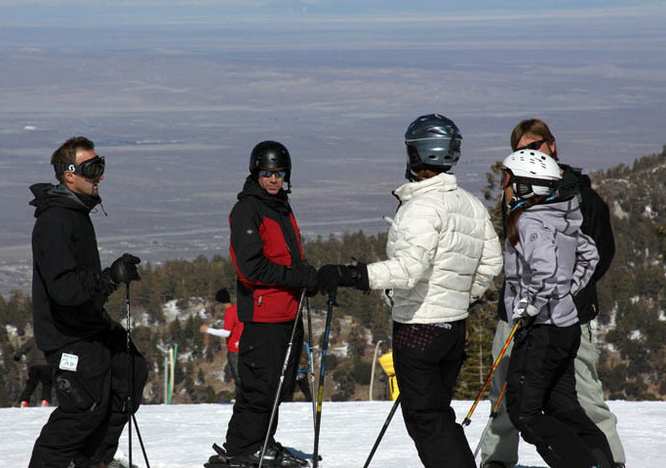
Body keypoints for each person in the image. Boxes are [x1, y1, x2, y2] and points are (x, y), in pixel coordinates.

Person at [317, 114, 503, 468]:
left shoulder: (421, 208)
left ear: (418, 155)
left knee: (426, 420)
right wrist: (460, 297)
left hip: (419, 328)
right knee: (437, 416)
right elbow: (491, 263)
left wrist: (350, 275)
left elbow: (407, 270)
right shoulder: (470, 204)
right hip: (453, 328)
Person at [480, 119, 625, 468]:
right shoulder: (518, 194)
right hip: (522, 310)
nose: (526, 155)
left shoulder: (580, 197)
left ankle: (606, 460)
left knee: (580, 393)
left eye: (533, 147)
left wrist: (563, 292)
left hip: (558, 314)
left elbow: (598, 252)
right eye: (520, 150)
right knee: (508, 389)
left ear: (551, 145)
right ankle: (498, 458)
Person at [28, 136, 149, 468]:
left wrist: (111, 277)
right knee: (84, 407)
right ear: (69, 174)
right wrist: (110, 277)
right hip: (67, 333)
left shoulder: (75, 212)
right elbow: (64, 291)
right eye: (92, 168)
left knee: (130, 372)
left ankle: (92, 461)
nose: (100, 175)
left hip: (86, 323)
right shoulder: (55, 221)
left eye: (101, 165)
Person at [206, 141, 317, 468]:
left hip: (287, 313)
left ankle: (262, 443)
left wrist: (303, 278)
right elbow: (250, 268)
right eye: (267, 173)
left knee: (276, 387)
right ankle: (242, 448)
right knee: (258, 388)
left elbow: (287, 257)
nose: (273, 179)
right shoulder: (248, 210)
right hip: (263, 315)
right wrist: (297, 277)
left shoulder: (280, 206)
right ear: (256, 172)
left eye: (279, 173)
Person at [201, 288, 244, 395]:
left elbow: (226, 333)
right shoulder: (237, 309)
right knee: (243, 375)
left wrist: (208, 330)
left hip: (234, 348)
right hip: (242, 346)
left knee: (238, 376)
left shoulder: (229, 312)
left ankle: (244, 399)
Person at [14, 335, 53, 408]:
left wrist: (17, 357)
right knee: (47, 384)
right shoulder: (50, 339)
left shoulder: (32, 340)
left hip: (34, 365)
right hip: (46, 365)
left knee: (31, 384)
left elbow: (23, 349)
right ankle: (45, 400)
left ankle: (24, 401)